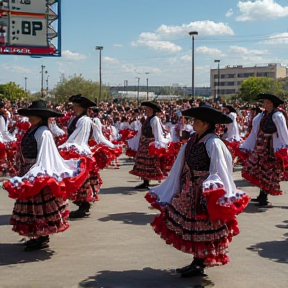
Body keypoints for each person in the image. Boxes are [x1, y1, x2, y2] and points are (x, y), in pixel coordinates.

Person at [145, 105, 250, 277]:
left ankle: (199, 263)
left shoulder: (214, 143)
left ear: (205, 123)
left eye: (196, 121)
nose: (192, 123)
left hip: (204, 193)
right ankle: (197, 261)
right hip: (190, 188)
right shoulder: (194, 139)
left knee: (203, 227)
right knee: (192, 226)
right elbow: (181, 163)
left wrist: (212, 189)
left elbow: (221, 169)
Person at [2, 100, 88, 251]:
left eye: (32, 115)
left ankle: (42, 237)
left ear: (39, 116)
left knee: (39, 207)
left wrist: (36, 173)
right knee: (31, 207)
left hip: (37, 171)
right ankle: (36, 235)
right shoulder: (33, 129)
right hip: (29, 170)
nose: (29, 118)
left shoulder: (43, 132)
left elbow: (46, 155)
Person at [239, 93, 288, 208]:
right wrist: (247, 145)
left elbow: (283, 132)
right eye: (264, 102)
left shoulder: (277, 115)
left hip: (271, 148)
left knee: (268, 172)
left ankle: (263, 198)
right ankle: (262, 196)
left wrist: (285, 147)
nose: (264, 104)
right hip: (261, 146)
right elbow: (255, 131)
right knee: (260, 171)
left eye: (266, 102)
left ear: (271, 103)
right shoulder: (262, 115)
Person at [59, 94, 100, 218]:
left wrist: (66, 146)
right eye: (74, 106)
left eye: (76, 106)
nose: (74, 108)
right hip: (75, 150)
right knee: (77, 179)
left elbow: (79, 137)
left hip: (80, 150)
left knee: (82, 179)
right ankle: (82, 205)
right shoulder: (75, 118)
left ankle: (84, 206)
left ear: (83, 108)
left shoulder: (85, 120)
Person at [129, 101, 169, 189]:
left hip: (150, 143)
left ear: (151, 109)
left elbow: (157, 132)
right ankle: (145, 181)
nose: (145, 111)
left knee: (151, 162)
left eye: (146, 109)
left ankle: (151, 180)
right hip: (144, 143)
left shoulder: (155, 119)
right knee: (143, 162)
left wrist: (158, 144)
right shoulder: (147, 118)